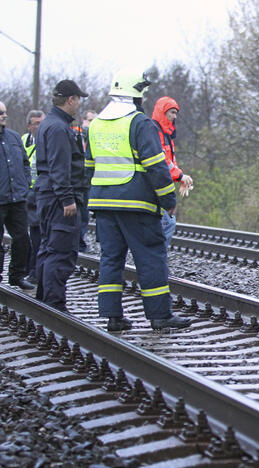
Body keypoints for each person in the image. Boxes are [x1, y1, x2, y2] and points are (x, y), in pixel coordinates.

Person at [86, 67, 192, 331]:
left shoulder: (97, 124)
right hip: (137, 205)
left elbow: (88, 166)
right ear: (137, 95)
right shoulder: (139, 122)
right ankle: (160, 316)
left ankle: (113, 317)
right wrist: (168, 200)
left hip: (103, 204)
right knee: (151, 259)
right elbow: (156, 166)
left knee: (111, 259)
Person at [33, 80, 90, 310]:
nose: (78, 104)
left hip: (47, 195)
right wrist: (67, 199)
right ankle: (55, 306)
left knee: (48, 248)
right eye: (77, 100)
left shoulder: (49, 123)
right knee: (61, 252)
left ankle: (44, 299)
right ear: (70, 100)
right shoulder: (58, 128)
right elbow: (60, 167)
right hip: (59, 200)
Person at [0, 101, 36, 290]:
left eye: (5, 112)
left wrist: (24, 185)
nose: (4, 116)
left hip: (17, 199)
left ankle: (17, 275)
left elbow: (24, 163)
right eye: (0, 113)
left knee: (22, 239)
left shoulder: (14, 137)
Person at [151, 96, 193, 248]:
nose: (174, 116)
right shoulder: (155, 131)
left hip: (162, 186)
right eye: (172, 112)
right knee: (166, 224)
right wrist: (180, 176)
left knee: (167, 223)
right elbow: (161, 159)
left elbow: (170, 162)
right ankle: (157, 260)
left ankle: (157, 259)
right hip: (155, 189)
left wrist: (179, 178)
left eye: (176, 113)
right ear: (163, 112)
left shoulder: (165, 133)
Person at [21, 110, 44, 284]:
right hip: (25, 193)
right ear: (29, 125)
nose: (38, 126)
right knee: (25, 235)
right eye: (35, 123)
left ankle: (35, 272)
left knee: (37, 234)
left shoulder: (47, 140)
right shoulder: (23, 140)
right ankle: (28, 269)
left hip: (40, 192)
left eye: (40, 122)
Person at [77, 110, 97, 251]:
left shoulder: (95, 137)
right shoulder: (75, 135)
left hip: (88, 181)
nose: (92, 124)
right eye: (90, 120)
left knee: (84, 214)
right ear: (83, 120)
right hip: (76, 180)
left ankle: (80, 241)